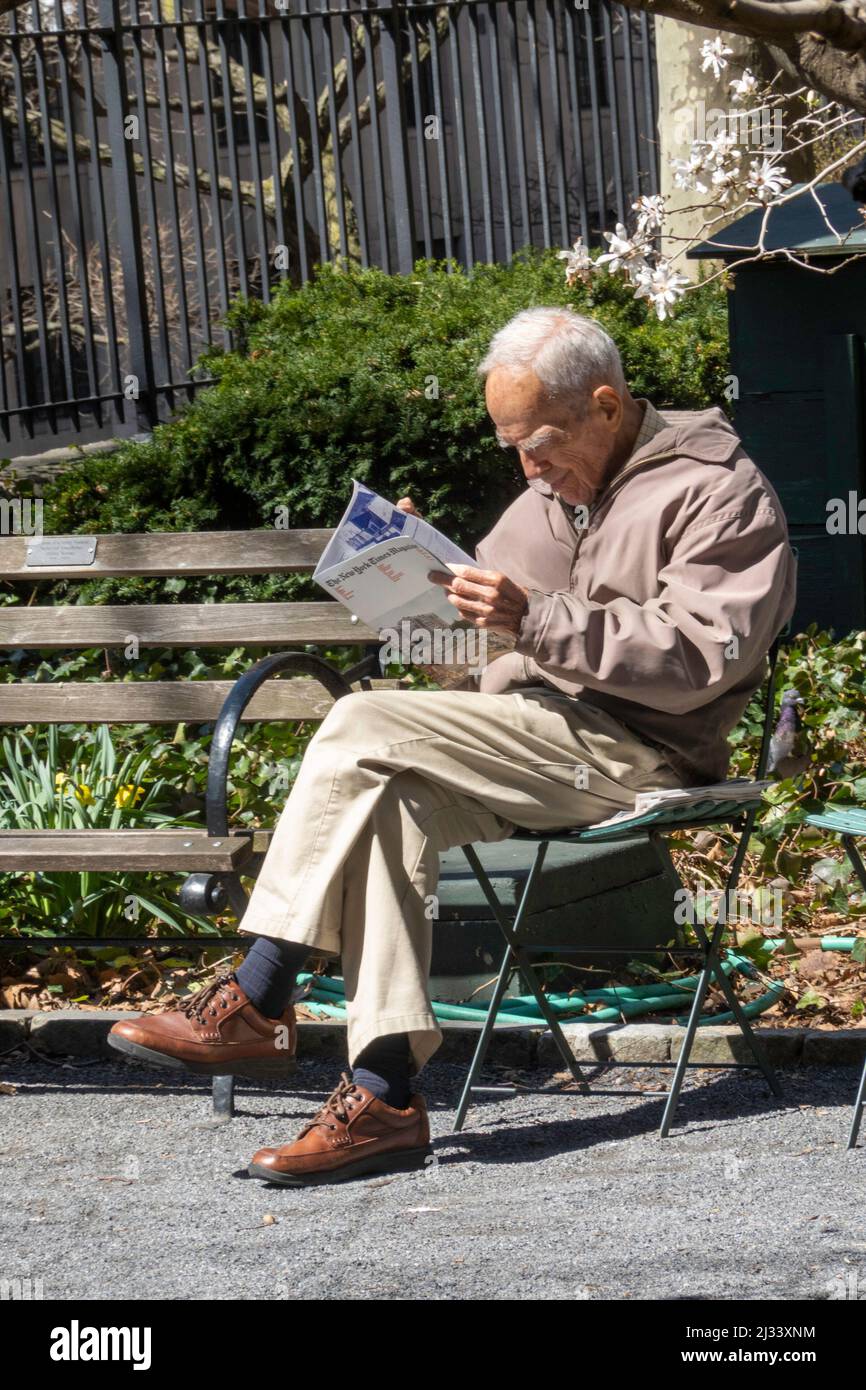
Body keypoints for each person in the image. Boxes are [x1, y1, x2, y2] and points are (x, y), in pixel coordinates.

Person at [109, 306, 796, 1186]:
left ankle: (258, 991)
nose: (529, 467)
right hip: (531, 741)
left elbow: (704, 656)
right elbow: (472, 662)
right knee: (390, 804)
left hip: (640, 751)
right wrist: (415, 584)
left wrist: (535, 621)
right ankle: (385, 1095)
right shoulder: (550, 494)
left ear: (607, 405)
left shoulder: (718, 490)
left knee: (358, 722)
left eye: (540, 442)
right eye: (512, 445)